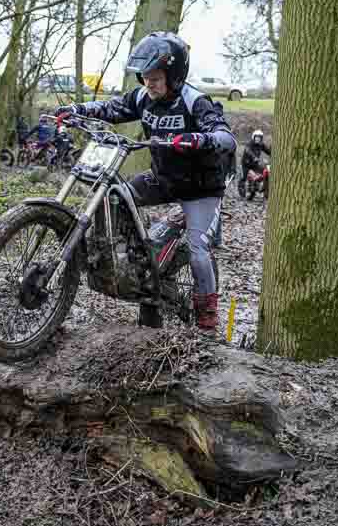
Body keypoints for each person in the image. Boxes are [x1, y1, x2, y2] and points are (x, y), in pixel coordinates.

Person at [55, 31, 237, 333]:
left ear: (174, 75)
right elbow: (112, 108)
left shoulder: (195, 101)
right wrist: (78, 110)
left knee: (197, 249)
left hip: (201, 187)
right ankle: (134, 258)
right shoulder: (143, 97)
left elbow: (226, 137)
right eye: (144, 76)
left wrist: (199, 139)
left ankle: (207, 315)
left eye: (154, 77)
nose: (147, 83)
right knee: (114, 195)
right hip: (163, 178)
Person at [238, 129, 271, 197]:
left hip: (255, 164)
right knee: (243, 177)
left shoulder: (261, 145)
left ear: (261, 138)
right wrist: (254, 157)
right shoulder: (249, 144)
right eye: (256, 137)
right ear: (254, 137)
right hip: (246, 164)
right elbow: (248, 150)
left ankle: (263, 187)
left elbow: (268, 151)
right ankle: (241, 190)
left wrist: (272, 151)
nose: (257, 139)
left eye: (259, 138)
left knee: (264, 172)